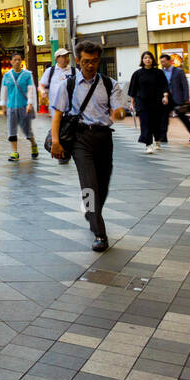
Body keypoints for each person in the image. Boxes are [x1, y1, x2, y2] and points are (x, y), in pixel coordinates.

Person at [50, 40, 129, 252]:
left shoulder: (109, 83)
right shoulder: (67, 85)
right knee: (89, 185)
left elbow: (117, 110)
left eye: (94, 61)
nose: (90, 65)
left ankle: (91, 211)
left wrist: (120, 112)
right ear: (77, 60)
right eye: (86, 61)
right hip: (79, 138)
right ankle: (99, 233)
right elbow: (57, 115)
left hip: (104, 138)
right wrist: (56, 143)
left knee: (103, 184)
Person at [127, 51, 170, 154]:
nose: (147, 59)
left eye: (149, 58)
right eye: (145, 58)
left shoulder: (158, 73)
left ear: (152, 60)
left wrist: (165, 96)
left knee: (156, 123)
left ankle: (157, 140)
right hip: (142, 102)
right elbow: (133, 89)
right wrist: (132, 103)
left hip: (156, 102)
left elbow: (164, 86)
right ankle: (148, 145)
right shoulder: (137, 74)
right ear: (142, 60)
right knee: (145, 123)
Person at [0, 52, 38, 162]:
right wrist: (3, 105)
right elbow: (4, 91)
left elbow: (31, 89)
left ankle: (33, 145)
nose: (17, 61)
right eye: (15, 60)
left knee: (27, 130)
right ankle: (15, 152)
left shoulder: (27, 75)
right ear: (11, 62)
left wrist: (30, 103)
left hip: (24, 106)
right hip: (11, 106)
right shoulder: (7, 76)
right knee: (11, 129)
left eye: (19, 59)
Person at [160, 54, 190, 142]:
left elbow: (185, 85)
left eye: (163, 61)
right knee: (164, 118)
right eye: (161, 62)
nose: (162, 63)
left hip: (178, 98)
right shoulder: (161, 72)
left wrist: (186, 98)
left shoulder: (178, 71)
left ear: (169, 61)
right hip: (167, 99)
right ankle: (163, 136)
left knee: (183, 117)